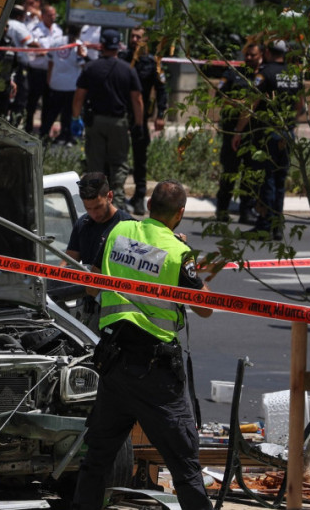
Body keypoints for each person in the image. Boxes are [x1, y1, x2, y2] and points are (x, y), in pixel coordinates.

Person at [72, 180, 214, 510]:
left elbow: (92, 288)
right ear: (180, 213)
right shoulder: (178, 253)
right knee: (185, 466)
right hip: (155, 377)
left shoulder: (117, 233)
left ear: (148, 204)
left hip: (115, 367)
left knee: (97, 460)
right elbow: (205, 308)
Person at [230, 39, 304, 241]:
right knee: (280, 180)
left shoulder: (265, 74)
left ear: (268, 52)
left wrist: (238, 131)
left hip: (268, 134)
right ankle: (277, 227)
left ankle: (264, 226)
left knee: (267, 180)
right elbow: (300, 105)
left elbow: (250, 105)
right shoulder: (294, 75)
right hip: (287, 132)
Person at [71, 28, 144, 211]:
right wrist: (139, 123)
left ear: (102, 45)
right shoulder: (127, 69)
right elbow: (137, 99)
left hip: (95, 121)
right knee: (118, 162)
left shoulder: (90, 67)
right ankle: (117, 202)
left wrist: (75, 118)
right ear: (119, 46)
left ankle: (96, 201)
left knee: (95, 163)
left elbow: (79, 96)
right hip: (118, 122)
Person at [64, 172, 134, 330]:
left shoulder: (128, 226)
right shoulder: (83, 224)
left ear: (110, 196)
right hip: (89, 308)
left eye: (98, 207)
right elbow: (69, 263)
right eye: (88, 208)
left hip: (120, 312)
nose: (93, 213)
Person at [119, 27, 168, 216]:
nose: (134, 39)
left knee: (140, 159)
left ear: (146, 40)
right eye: (132, 36)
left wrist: (161, 114)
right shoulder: (122, 58)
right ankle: (118, 195)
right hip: (121, 115)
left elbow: (162, 90)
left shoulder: (152, 63)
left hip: (141, 117)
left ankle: (139, 197)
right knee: (118, 157)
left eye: (138, 37)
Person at [213, 42, 262, 224]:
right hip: (232, 130)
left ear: (260, 56)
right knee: (230, 172)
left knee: (250, 174)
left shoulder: (262, 76)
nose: (248, 58)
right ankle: (222, 209)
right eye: (247, 55)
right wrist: (241, 103)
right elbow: (219, 96)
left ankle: (246, 210)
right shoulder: (233, 74)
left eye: (253, 55)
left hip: (254, 133)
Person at [40, 24, 86, 145]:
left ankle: (43, 135)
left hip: (56, 83)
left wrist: (49, 78)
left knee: (52, 112)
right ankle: (66, 136)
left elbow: (50, 61)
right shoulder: (79, 45)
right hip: (72, 84)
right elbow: (83, 64)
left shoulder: (56, 42)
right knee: (68, 113)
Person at [25, 2, 62, 137]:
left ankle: (44, 131)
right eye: (50, 15)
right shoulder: (35, 30)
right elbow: (31, 48)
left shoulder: (58, 30)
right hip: (37, 71)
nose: (53, 17)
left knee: (49, 102)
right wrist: (40, 51)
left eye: (54, 15)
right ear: (43, 15)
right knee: (32, 101)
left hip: (51, 72)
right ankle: (28, 128)